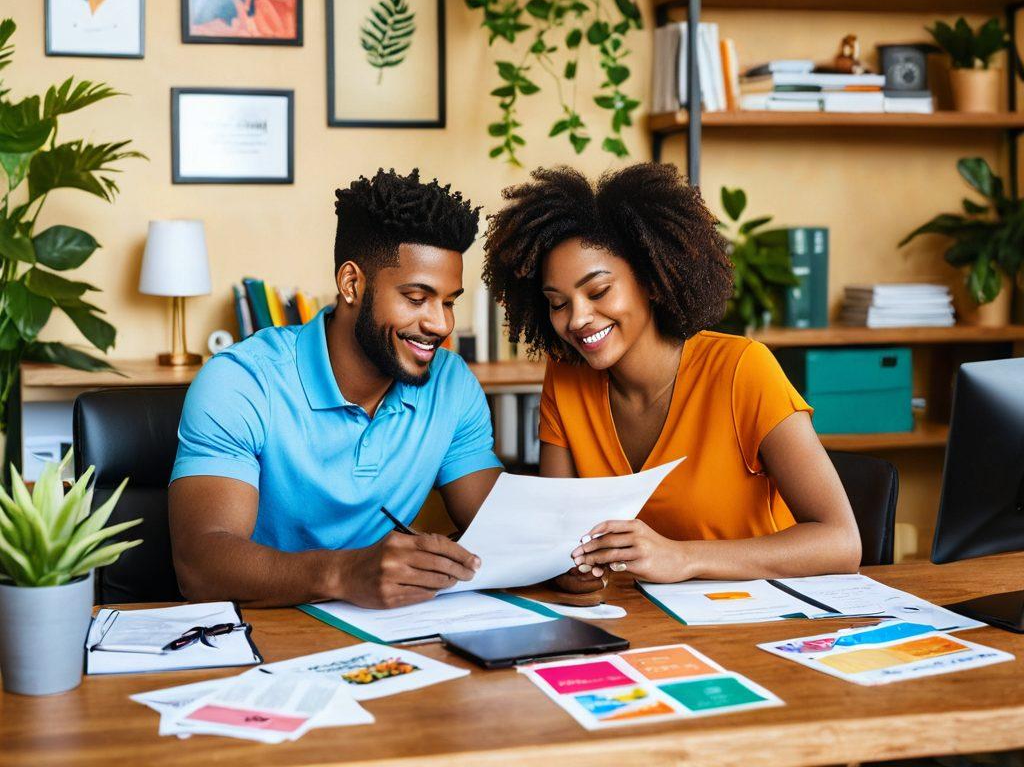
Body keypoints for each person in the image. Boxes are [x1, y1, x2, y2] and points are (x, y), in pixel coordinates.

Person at [483, 162, 861, 592]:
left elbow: (842, 542)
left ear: (649, 280)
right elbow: (561, 543)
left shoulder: (742, 370)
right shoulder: (567, 375)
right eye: (557, 303)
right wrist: (570, 568)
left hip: (763, 618)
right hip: (647, 625)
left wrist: (682, 557)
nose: (578, 319)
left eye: (599, 291)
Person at [169, 168, 503, 608]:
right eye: (417, 298)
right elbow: (199, 565)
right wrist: (344, 573)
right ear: (351, 284)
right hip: (268, 634)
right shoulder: (242, 381)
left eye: (449, 302)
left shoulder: (452, 384)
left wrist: (564, 562)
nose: (441, 324)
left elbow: (501, 531)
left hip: (392, 637)